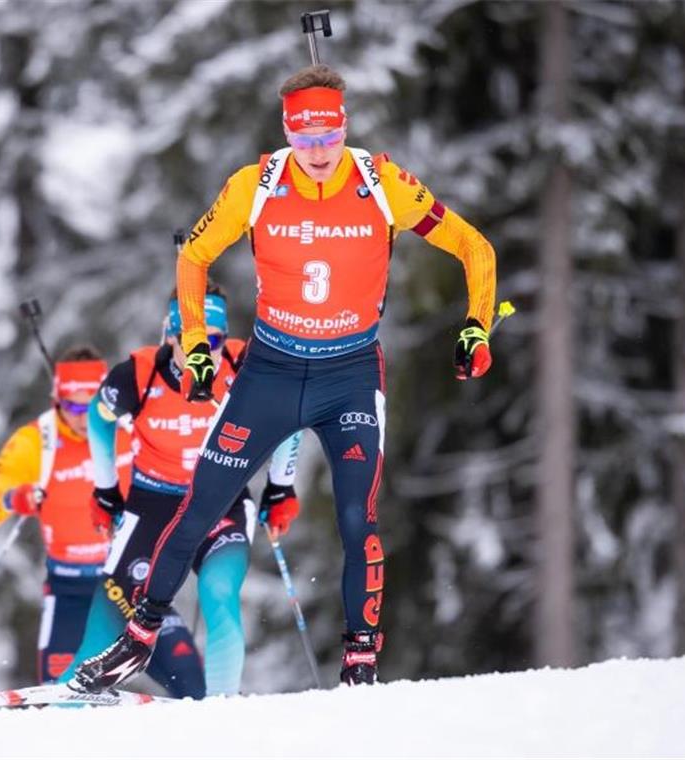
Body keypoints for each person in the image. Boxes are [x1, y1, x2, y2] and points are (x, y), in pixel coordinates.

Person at [71, 63, 496, 693]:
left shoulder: (382, 183)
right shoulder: (258, 183)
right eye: (304, 140)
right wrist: (194, 346)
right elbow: (193, 256)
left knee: (358, 515)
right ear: (286, 134)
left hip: (349, 373)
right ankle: (138, 641)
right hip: (271, 372)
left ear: (344, 126)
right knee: (199, 509)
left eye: (328, 137)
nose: (318, 154)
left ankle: (359, 662)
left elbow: (473, 246)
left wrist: (478, 326)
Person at [58, 283, 304, 698]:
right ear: (169, 335)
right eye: (190, 340)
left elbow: (287, 416)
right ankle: (64, 710)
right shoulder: (138, 374)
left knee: (219, 593)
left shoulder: (243, 365)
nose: (200, 354)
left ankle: (220, 708)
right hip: (152, 504)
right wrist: (105, 491)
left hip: (221, 502)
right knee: (110, 614)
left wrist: (280, 487)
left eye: (211, 341)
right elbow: (100, 418)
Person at [0, 345, 130, 683]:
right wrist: (14, 499)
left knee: (184, 675)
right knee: (56, 692)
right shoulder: (35, 441)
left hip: (127, 584)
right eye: (73, 406)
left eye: (93, 405)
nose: (83, 417)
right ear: (57, 400)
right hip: (68, 586)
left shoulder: (130, 431)